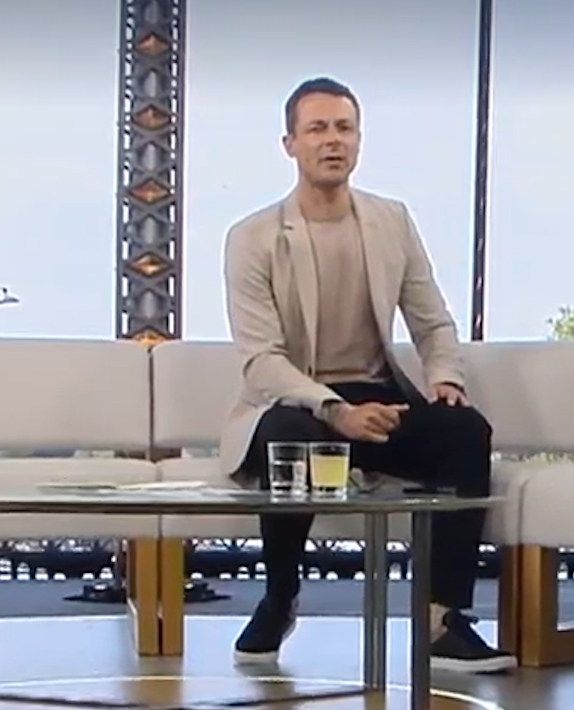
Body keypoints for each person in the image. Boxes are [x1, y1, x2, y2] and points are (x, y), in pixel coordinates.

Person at [218, 76, 515, 672]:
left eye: (344, 128)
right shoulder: (251, 238)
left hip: (378, 400)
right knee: (289, 438)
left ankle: (443, 618)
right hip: (298, 403)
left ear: (358, 140)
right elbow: (262, 361)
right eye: (317, 129)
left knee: (465, 430)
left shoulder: (391, 221)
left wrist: (446, 380)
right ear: (290, 144)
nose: (333, 141)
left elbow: (433, 322)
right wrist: (334, 410)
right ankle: (279, 598)